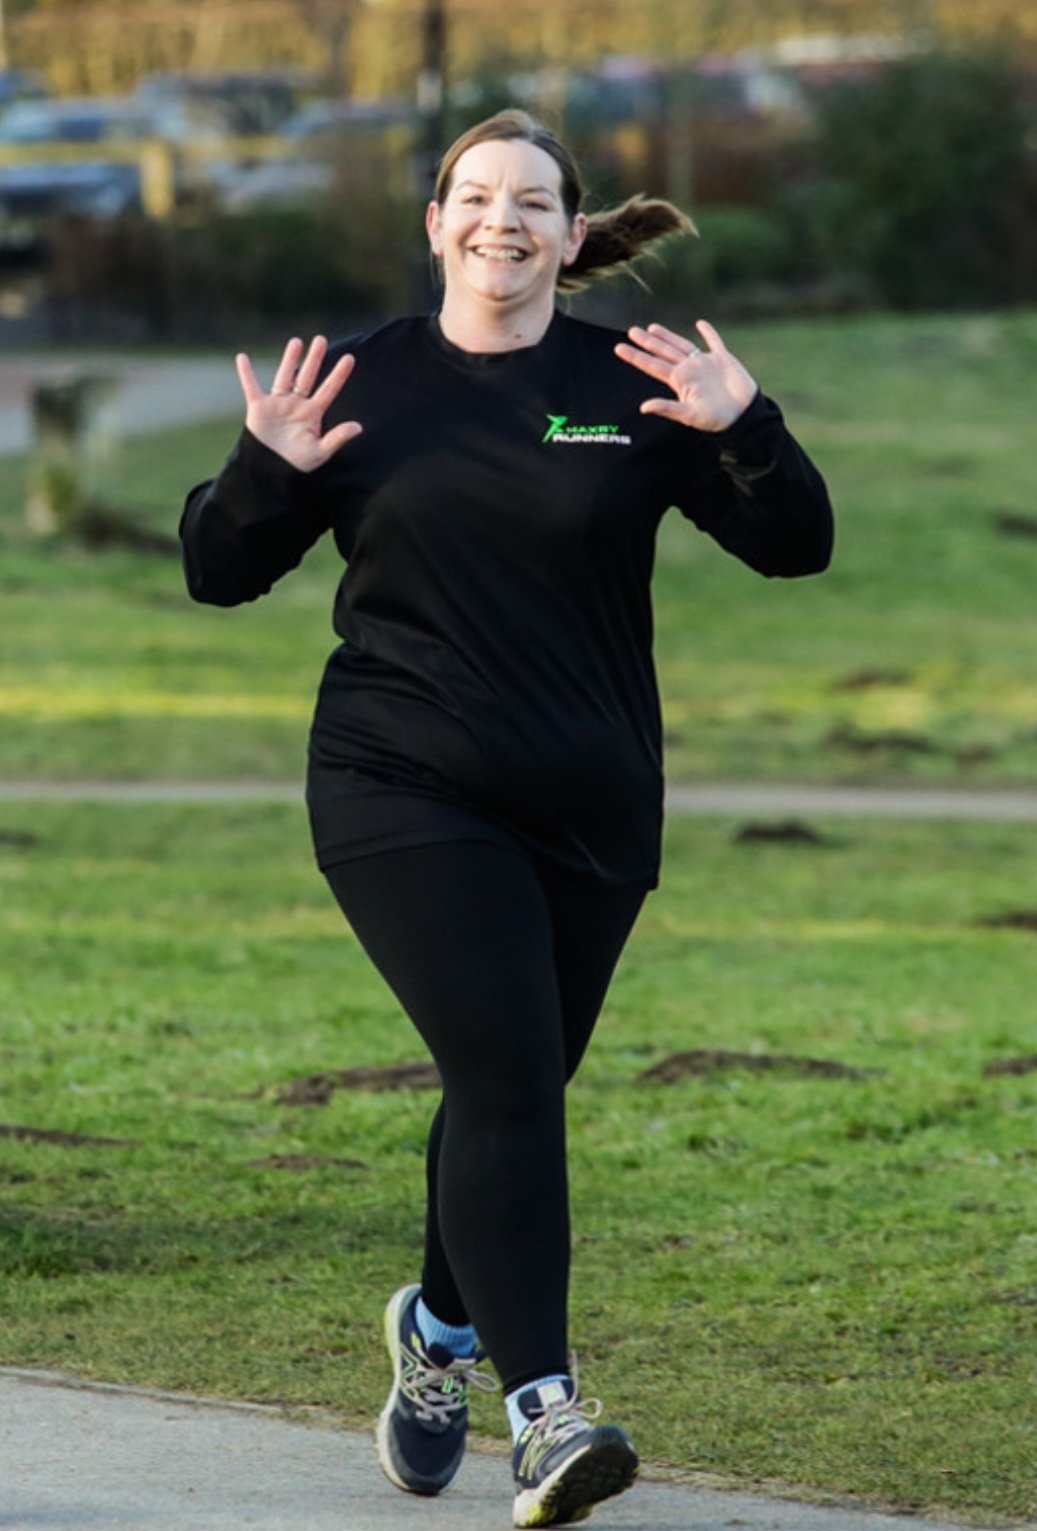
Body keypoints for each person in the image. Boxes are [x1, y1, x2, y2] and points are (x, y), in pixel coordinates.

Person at [180, 107, 833, 1529]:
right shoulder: (357, 381)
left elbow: (798, 549)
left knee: (513, 1085)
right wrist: (263, 470)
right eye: (475, 197)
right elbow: (219, 574)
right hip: (398, 780)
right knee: (504, 1073)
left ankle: (437, 1341)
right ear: (435, 223)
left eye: (531, 201)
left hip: (591, 800)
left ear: (569, 230)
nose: (501, 222)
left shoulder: (631, 382)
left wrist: (747, 428)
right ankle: (544, 1411)